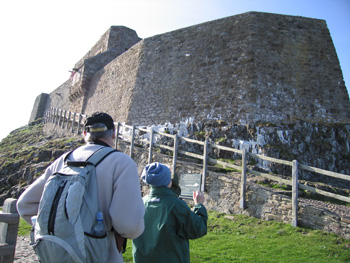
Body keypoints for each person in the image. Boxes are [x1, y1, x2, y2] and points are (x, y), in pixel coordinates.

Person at [17, 112, 145, 263]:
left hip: (59, 256)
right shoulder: (122, 162)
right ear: (113, 134)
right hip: (101, 256)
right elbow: (129, 225)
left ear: (85, 134)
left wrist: (62, 229)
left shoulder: (63, 161)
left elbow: (24, 205)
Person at [132, 162, 208, 263]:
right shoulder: (176, 205)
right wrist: (199, 205)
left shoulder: (141, 202)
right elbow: (198, 229)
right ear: (168, 181)